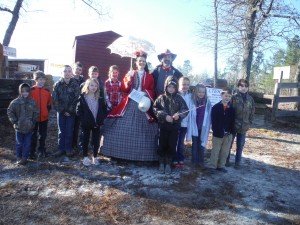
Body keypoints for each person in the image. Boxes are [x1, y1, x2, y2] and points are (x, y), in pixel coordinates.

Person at [101, 50, 158, 161]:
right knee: (122, 124)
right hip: (131, 100)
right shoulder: (131, 73)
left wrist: (145, 93)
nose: (141, 63)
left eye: (143, 61)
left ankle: (144, 155)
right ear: (136, 62)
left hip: (143, 101)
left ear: (145, 63)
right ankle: (116, 152)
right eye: (139, 61)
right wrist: (129, 78)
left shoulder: (150, 76)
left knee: (145, 125)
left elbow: (152, 90)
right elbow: (124, 88)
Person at [153, 76, 188, 174]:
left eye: (173, 87)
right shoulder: (161, 98)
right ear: (166, 87)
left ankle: (168, 164)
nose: (171, 89)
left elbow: (185, 109)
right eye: (169, 87)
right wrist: (164, 116)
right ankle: (161, 163)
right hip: (163, 127)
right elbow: (155, 108)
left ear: (176, 88)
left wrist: (179, 115)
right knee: (162, 144)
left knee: (172, 145)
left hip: (175, 128)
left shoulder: (179, 98)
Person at [76, 78, 107, 166]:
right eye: (91, 85)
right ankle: (85, 157)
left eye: (95, 85)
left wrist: (101, 118)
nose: (93, 87)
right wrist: (83, 119)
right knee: (85, 140)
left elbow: (104, 109)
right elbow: (78, 110)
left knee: (95, 140)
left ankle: (95, 157)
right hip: (86, 123)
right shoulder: (82, 97)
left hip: (96, 123)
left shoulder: (99, 98)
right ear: (87, 86)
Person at [7, 83, 39, 165]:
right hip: (19, 127)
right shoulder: (15, 102)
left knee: (27, 144)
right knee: (19, 144)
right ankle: (19, 157)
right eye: (23, 91)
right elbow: (10, 112)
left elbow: (36, 113)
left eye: (27, 91)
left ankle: (25, 158)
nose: (25, 93)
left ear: (29, 92)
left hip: (29, 128)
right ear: (20, 91)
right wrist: (14, 121)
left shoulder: (32, 102)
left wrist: (32, 122)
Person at [52, 65, 80, 157]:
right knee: (61, 131)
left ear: (71, 73)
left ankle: (68, 149)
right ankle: (61, 148)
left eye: (69, 71)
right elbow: (55, 100)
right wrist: (62, 111)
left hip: (71, 113)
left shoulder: (75, 84)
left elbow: (77, 99)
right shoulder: (57, 85)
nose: (67, 73)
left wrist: (70, 111)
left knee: (69, 131)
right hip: (61, 112)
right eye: (65, 71)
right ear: (61, 73)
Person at [226, 79, 255, 169]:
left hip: (244, 127)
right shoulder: (233, 97)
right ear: (238, 87)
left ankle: (237, 162)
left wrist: (249, 122)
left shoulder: (250, 99)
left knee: (240, 145)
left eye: (246, 86)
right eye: (242, 86)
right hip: (233, 125)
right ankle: (226, 160)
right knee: (229, 144)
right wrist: (229, 123)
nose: (244, 88)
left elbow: (252, 111)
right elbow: (229, 110)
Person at [209, 87, 235, 173]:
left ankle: (221, 166)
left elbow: (232, 121)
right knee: (215, 151)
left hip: (228, 135)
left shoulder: (231, 109)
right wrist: (216, 130)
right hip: (217, 134)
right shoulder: (216, 108)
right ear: (221, 95)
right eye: (226, 96)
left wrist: (231, 132)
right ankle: (212, 166)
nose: (227, 98)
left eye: (229, 96)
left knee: (225, 152)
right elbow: (214, 121)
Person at [186, 84, 212, 169]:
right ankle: (194, 161)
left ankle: (201, 161)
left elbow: (209, 115)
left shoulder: (208, 103)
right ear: (196, 92)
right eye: (199, 92)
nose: (201, 94)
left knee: (202, 144)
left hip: (203, 127)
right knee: (195, 144)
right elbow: (190, 115)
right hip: (195, 127)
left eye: (203, 92)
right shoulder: (193, 101)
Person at [29, 71, 52, 159]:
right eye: (40, 79)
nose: (42, 81)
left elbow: (49, 104)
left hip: (44, 117)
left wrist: (46, 112)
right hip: (33, 118)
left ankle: (41, 150)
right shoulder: (31, 90)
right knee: (33, 135)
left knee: (43, 135)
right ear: (35, 80)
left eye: (43, 79)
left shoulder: (46, 91)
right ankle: (32, 151)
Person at [173, 77, 192, 166]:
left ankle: (180, 158)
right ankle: (174, 158)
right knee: (174, 141)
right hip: (176, 123)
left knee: (181, 142)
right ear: (179, 85)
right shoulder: (176, 95)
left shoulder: (190, 96)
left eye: (187, 84)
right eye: (183, 84)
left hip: (185, 123)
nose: (185, 86)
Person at [72, 61, 85, 151]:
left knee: (76, 126)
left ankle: (74, 144)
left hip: (78, 107)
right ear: (73, 69)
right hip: (70, 107)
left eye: (80, 70)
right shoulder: (69, 79)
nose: (78, 71)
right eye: (77, 69)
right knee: (69, 127)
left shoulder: (83, 81)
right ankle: (67, 144)